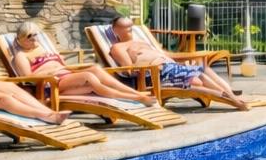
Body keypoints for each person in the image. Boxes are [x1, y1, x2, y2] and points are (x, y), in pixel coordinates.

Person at [107, 15, 253, 110]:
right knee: (199, 76)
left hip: (171, 67)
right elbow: (131, 69)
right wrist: (137, 57)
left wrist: (189, 56)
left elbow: (166, 54)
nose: (130, 31)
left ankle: (231, 95)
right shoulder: (117, 47)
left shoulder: (142, 41)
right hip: (157, 72)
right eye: (126, 29)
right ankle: (233, 100)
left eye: (131, 28)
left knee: (204, 69)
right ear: (116, 31)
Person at [9, 21, 160, 106]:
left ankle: (135, 93)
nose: (34, 39)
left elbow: (61, 65)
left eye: (36, 35)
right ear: (21, 39)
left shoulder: (41, 47)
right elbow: (28, 78)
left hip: (66, 77)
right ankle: (136, 98)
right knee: (89, 76)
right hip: (51, 85)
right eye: (29, 36)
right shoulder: (21, 56)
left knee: (95, 69)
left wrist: (61, 67)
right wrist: (51, 71)